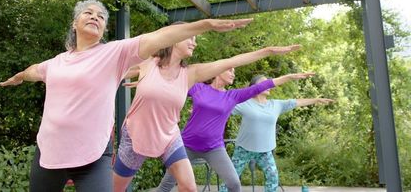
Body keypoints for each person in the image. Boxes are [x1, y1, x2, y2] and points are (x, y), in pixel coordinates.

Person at [0, 0, 252, 192]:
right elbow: (35, 71)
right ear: (74, 23)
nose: (94, 17)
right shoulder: (56, 62)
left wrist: (205, 24)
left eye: (100, 16)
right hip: (50, 153)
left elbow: (160, 37)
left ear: (105, 27)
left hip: (93, 157)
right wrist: (20, 75)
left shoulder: (113, 54)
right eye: (88, 13)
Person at [113, 33, 301, 192]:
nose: (194, 42)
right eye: (190, 37)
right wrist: (148, 82)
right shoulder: (194, 85)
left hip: (199, 144)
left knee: (215, 185)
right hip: (168, 140)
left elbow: (248, 76)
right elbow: (128, 74)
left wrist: (269, 53)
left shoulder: (225, 92)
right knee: (150, 186)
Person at [157, 70, 315, 192]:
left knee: (234, 184)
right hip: (186, 146)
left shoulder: (232, 96)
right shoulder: (198, 88)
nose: (233, 72)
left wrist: (290, 77)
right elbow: (173, 88)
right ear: (218, 71)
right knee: (167, 184)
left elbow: (263, 86)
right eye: (230, 69)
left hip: (214, 148)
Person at [220, 75, 334, 192]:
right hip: (244, 149)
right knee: (230, 180)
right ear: (254, 87)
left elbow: (297, 102)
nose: (269, 84)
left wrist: (316, 100)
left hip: (265, 151)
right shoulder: (244, 104)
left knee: (273, 178)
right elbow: (223, 103)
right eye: (265, 82)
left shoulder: (276, 105)